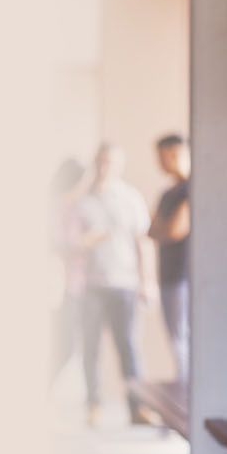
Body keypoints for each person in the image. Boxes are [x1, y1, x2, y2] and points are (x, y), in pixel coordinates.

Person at [77, 144, 155, 427]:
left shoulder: (130, 198)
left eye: (109, 162)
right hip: (91, 285)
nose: (104, 167)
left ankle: (138, 408)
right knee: (91, 347)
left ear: (119, 165)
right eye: (100, 161)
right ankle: (93, 405)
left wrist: (147, 282)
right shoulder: (83, 200)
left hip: (126, 283)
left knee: (129, 348)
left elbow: (142, 241)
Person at [148, 133, 191, 384]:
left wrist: (164, 229)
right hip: (168, 275)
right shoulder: (168, 193)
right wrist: (164, 229)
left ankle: (188, 401)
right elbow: (152, 230)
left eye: (164, 156)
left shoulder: (192, 189)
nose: (161, 162)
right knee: (175, 340)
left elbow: (174, 230)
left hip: (184, 277)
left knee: (182, 340)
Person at [49, 158, 88, 386]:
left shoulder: (72, 207)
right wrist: (82, 245)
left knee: (66, 344)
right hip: (57, 284)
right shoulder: (53, 207)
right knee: (63, 344)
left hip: (72, 284)